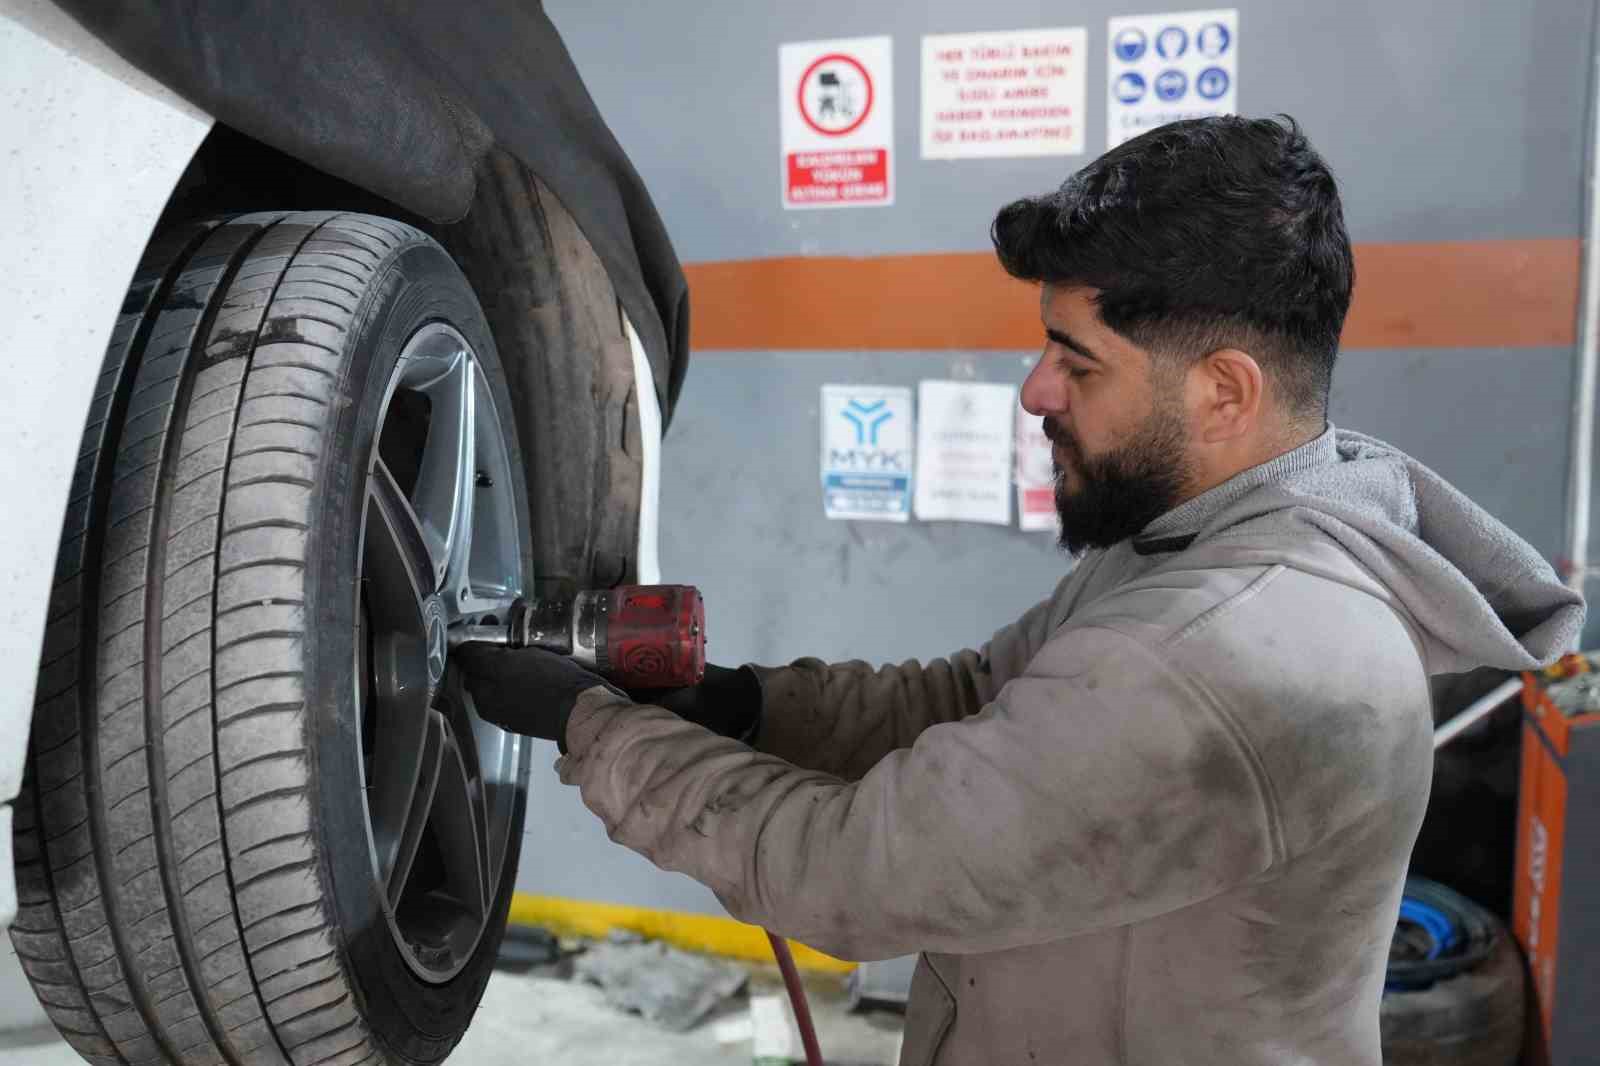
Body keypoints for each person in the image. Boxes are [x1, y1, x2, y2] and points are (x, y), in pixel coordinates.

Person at [457, 116, 1582, 1065]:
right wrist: (740, 704)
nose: (1034, 390)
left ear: (1225, 391)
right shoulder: (1194, 549)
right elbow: (976, 696)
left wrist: (582, 720)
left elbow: (847, 870)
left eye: (1076, 360)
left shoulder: (1218, 651)